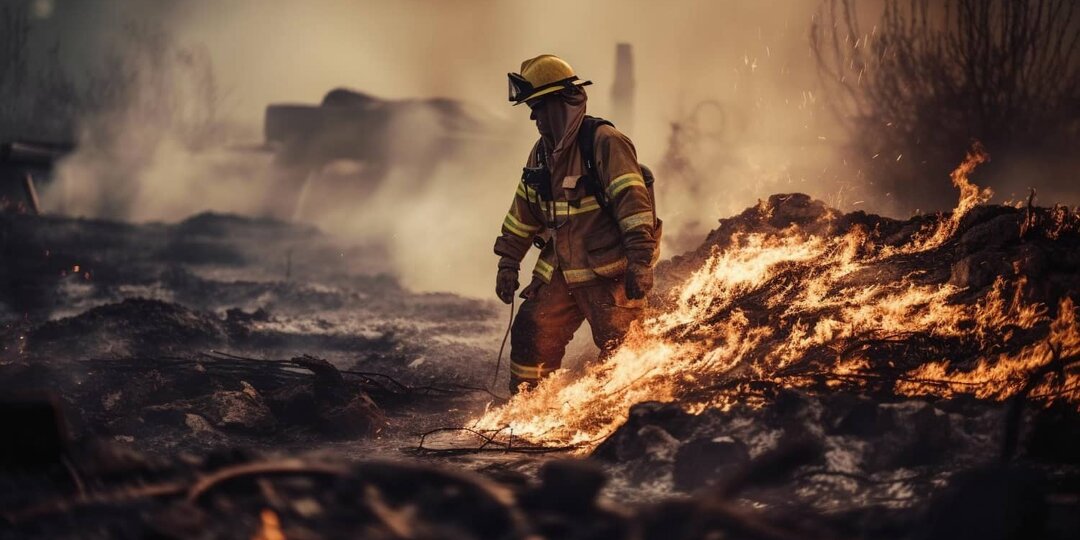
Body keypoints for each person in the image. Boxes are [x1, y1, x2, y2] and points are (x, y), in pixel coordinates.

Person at [494, 54, 660, 394]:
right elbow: (522, 212)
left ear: (560, 103)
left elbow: (634, 204)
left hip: (608, 272)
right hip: (562, 270)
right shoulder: (541, 154)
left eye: (538, 106)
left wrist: (641, 261)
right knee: (531, 329)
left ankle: (628, 411)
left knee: (623, 349)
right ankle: (528, 406)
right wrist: (508, 261)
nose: (533, 116)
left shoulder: (604, 142)